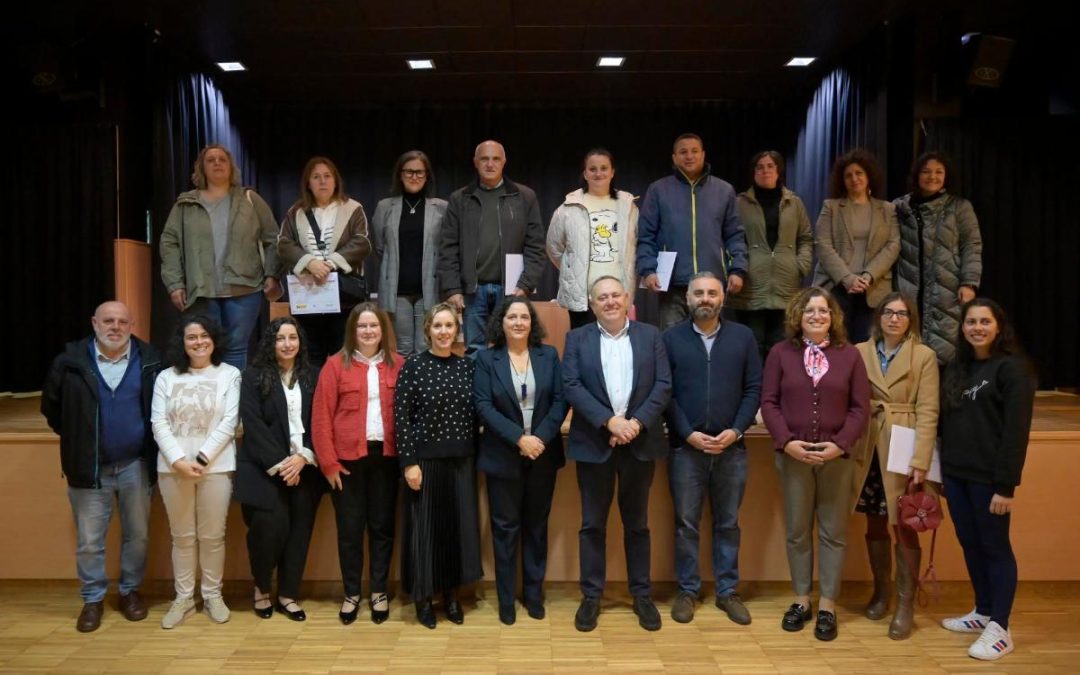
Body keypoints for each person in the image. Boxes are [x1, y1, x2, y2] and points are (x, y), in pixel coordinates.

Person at [41, 301, 163, 633]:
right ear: (94, 323)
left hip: (136, 465)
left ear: (132, 325)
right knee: (90, 540)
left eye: (122, 321)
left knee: (137, 535)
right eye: (108, 321)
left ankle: (129, 592)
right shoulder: (70, 362)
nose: (115, 327)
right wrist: (79, 439)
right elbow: (52, 408)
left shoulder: (150, 360)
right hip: (88, 468)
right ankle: (93, 599)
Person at [562, 276, 672, 632]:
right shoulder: (577, 339)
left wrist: (634, 424)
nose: (609, 302)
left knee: (637, 525)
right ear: (592, 304)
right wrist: (610, 422)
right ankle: (591, 597)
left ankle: (641, 595)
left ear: (627, 299)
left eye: (614, 295)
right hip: (595, 444)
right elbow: (571, 385)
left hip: (639, 443)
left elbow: (663, 385)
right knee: (592, 525)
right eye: (601, 298)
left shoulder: (650, 336)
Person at [760, 287, 870, 641]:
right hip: (793, 456)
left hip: (836, 458)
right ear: (798, 315)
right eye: (809, 310)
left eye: (823, 310)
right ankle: (801, 600)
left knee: (833, 533)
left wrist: (840, 445)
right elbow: (769, 402)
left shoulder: (850, 355)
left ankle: (827, 605)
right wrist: (787, 442)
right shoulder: (780, 353)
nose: (817, 316)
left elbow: (860, 408)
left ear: (833, 316)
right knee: (797, 531)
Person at [939, 299, 1035, 661]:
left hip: (990, 481)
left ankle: (1000, 628)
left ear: (999, 326)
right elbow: (947, 424)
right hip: (956, 476)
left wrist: (1005, 487)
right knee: (970, 543)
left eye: (984, 322)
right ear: (962, 327)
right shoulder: (958, 367)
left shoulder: (1013, 370)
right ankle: (982, 611)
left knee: (995, 547)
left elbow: (1015, 434)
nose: (977, 328)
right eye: (971, 322)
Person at [663, 273, 761, 625]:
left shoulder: (743, 337)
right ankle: (688, 590)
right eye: (699, 293)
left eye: (712, 293)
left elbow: (754, 388)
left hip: (731, 449)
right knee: (686, 524)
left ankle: (727, 591)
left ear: (723, 298)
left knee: (728, 523)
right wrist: (687, 433)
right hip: (685, 449)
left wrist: (736, 430)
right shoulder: (670, 339)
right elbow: (665, 391)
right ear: (687, 298)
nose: (705, 298)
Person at [473, 297, 568, 624]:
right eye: (511, 317)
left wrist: (538, 439)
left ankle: (533, 595)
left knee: (536, 528)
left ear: (532, 323)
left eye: (524, 317)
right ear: (501, 322)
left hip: (542, 454)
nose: (518, 322)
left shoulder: (548, 355)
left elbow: (560, 401)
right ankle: (506, 600)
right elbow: (483, 405)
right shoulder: (486, 359)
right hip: (503, 456)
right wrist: (519, 438)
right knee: (504, 530)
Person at [854, 293, 939, 639]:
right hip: (868, 443)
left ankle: (905, 604)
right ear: (878, 317)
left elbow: (929, 410)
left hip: (903, 445)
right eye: (888, 312)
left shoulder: (924, 356)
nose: (894, 318)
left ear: (910, 319)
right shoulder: (859, 352)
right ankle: (882, 591)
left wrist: (921, 459)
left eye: (902, 314)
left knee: (904, 524)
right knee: (874, 521)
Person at [313, 303, 403, 625]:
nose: (368, 331)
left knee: (382, 528)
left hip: (387, 460)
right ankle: (351, 593)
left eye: (373, 326)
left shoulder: (399, 365)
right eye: (362, 326)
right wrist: (329, 464)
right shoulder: (334, 366)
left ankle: (378, 591)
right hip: (347, 464)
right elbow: (321, 419)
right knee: (350, 531)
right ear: (352, 330)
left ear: (383, 330)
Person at [394, 303, 483, 628]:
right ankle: (423, 598)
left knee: (455, 532)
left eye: (449, 326)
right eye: (438, 326)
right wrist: (409, 463)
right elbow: (401, 419)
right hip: (425, 463)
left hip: (461, 461)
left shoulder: (467, 367)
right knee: (425, 534)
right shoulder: (414, 366)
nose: (444, 331)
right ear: (427, 330)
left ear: (457, 331)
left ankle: (451, 596)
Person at [151, 315, 241, 629]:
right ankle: (184, 597)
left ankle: (212, 595)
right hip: (172, 469)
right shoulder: (166, 377)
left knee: (213, 536)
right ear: (182, 342)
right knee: (182, 537)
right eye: (192, 337)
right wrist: (178, 460)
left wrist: (202, 458)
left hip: (216, 467)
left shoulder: (230, 374)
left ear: (214, 340)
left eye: (204, 336)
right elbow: (158, 423)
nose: (199, 342)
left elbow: (230, 422)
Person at [160, 144, 281, 370]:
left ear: (231, 167)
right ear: (201, 168)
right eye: (211, 160)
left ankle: (233, 393)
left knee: (236, 348)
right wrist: (175, 283)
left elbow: (273, 238)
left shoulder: (250, 199)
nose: (217, 163)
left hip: (245, 288)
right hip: (201, 290)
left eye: (222, 159)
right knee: (203, 348)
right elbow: (169, 243)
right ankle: (207, 393)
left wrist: (272, 274)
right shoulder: (185, 204)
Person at [236, 317, 324, 622]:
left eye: (293, 337)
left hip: (306, 468)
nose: (287, 344)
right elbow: (253, 424)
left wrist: (304, 456)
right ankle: (261, 588)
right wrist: (283, 465)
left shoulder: (314, 376)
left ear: (301, 342)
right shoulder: (253, 376)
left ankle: (288, 594)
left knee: (299, 533)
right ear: (270, 343)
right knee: (268, 530)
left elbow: (322, 420)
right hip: (264, 469)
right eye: (280, 338)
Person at [437, 140, 546, 353]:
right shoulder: (460, 199)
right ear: (475, 162)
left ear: (504, 162)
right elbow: (448, 247)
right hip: (472, 291)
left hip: (512, 289)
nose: (490, 164)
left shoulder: (524, 197)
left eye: (495, 159)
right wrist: (453, 288)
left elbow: (535, 246)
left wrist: (525, 284)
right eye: (484, 159)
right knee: (474, 350)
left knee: (511, 348)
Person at [637, 133, 748, 329]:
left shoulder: (724, 190)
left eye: (694, 151)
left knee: (711, 340)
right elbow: (646, 236)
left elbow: (735, 235)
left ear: (703, 155)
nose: (689, 156)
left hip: (711, 286)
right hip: (673, 287)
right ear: (674, 158)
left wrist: (737, 270)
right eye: (683, 152)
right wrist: (648, 270)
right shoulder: (658, 190)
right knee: (672, 341)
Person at [277, 156, 372, 366]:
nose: (322, 181)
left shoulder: (353, 208)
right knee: (311, 357)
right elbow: (283, 244)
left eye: (327, 176)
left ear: (335, 181)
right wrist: (309, 262)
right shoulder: (296, 212)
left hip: (344, 297)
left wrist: (331, 263)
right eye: (316, 177)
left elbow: (362, 242)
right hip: (308, 296)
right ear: (308, 183)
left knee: (343, 356)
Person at [893, 152, 984, 365]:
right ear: (917, 175)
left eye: (938, 172)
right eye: (926, 171)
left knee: (945, 352)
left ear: (946, 176)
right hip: (908, 288)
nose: (932, 176)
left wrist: (969, 282)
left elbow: (971, 246)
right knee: (907, 354)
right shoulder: (900, 207)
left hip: (946, 290)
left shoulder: (959, 207)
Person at [728, 151, 814, 362]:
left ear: (779, 171)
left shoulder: (794, 203)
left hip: (786, 287)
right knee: (751, 349)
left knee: (782, 350)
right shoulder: (739, 203)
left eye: (770, 166)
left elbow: (806, 238)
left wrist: (800, 266)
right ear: (753, 172)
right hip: (751, 287)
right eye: (759, 167)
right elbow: (729, 238)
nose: (765, 171)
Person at [813, 148, 900, 344]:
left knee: (866, 346)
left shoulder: (887, 209)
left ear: (869, 176)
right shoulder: (831, 207)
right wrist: (847, 278)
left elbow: (893, 246)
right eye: (848, 175)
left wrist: (868, 275)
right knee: (835, 344)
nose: (854, 178)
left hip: (874, 288)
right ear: (842, 180)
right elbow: (822, 244)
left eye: (859, 173)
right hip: (837, 287)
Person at [546, 148, 639, 329]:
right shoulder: (568, 207)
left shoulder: (628, 206)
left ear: (612, 172)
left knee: (615, 344)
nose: (598, 173)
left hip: (617, 293)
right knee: (584, 344)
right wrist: (573, 268)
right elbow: (553, 247)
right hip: (582, 296)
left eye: (604, 168)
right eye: (592, 169)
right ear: (585, 174)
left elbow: (636, 244)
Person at [372, 150, 448, 356]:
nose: (414, 177)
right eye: (409, 172)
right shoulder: (385, 207)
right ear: (400, 174)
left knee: (425, 348)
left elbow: (446, 248)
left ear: (427, 175)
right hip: (397, 292)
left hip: (429, 290)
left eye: (419, 172)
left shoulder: (441, 207)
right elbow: (379, 247)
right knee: (402, 349)